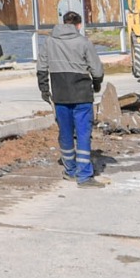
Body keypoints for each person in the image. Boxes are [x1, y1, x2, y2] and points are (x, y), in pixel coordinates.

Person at [34, 10, 104, 187]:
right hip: (81, 94)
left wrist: (44, 89)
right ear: (78, 25)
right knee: (83, 134)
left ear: (63, 23)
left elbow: (41, 67)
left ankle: (70, 170)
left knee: (65, 133)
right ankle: (84, 176)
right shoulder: (83, 42)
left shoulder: (49, 42)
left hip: (60, 94)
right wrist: (96, 84)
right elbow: (97, 70)